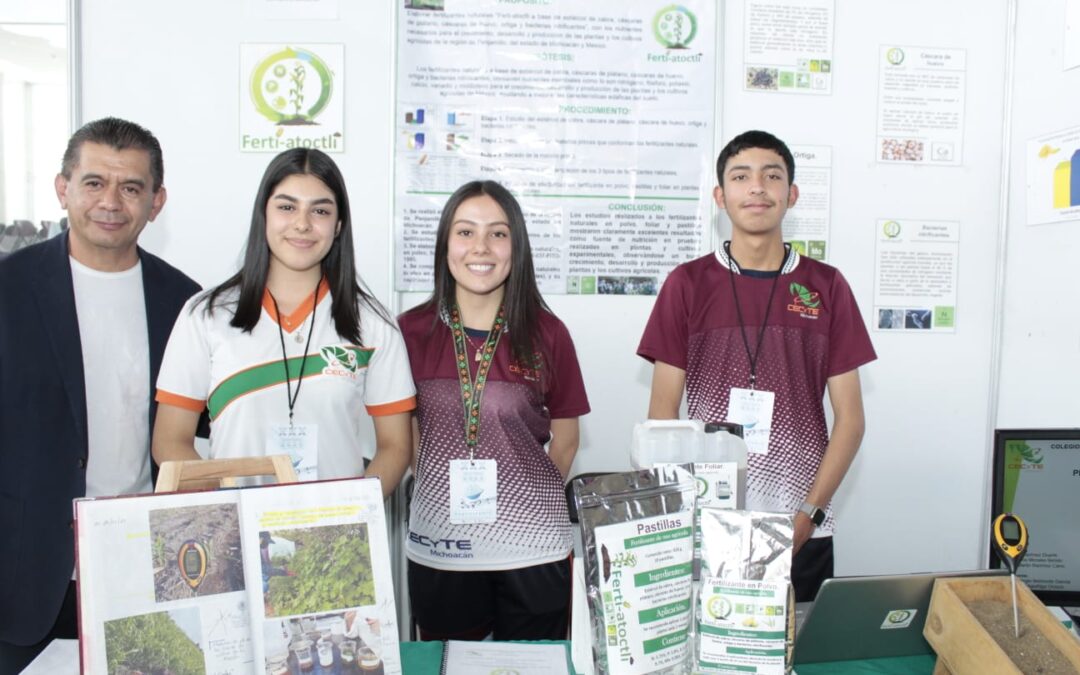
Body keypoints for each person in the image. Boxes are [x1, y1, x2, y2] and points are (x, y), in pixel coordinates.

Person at [637, 130, 877, 602]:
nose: (757, 188)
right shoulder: (687, 284)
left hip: (798, 523)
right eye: (741, 176)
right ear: (720, 196)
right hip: (707, 522)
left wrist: (811, 513)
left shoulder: (826, 286)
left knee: (792, 653)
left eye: (772, 176)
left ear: (791, 194)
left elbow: (851, 420)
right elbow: (662, 413)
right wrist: (679, 514)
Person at [0, 117, 201, 671]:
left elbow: (201, 431)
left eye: (131, 187)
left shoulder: (185, 303)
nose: (111, 201)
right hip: (22, 575)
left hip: (138, 569)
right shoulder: (9, 289)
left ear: (156, 201)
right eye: (93, 183)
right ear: (62, 188)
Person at [152, 148, 414, 497]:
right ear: (263, 214)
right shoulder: (205, 315)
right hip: (237, 535)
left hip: (334, 541)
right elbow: (170, 440)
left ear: (338, 226)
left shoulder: (372, 323)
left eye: (320, 210)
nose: (302, 223)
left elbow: (396, 447)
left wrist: (349, 514)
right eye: (287, 207)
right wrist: (230, 509)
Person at [400, 180, 590, 640]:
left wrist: (524, 504)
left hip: (532, 548)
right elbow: (405, 436)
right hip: (443, 544)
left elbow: (566, 439)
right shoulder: (409, 331)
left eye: (497, 234)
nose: (480, 247)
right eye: (465, 232)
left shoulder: (547, 333)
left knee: (533, 666)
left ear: (516, 245)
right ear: (445, 243)